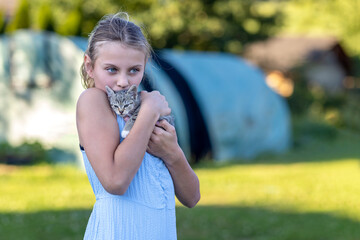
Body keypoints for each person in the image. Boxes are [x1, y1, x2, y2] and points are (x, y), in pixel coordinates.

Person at [76, 12, 200, 239]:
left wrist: (172, 153)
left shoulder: (143, 110)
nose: (123, 82)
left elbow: (192, 197)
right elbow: (115, 182)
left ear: (144, 66)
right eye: (111, 69)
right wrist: (150, 111)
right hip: (119, 230)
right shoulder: (93, 101)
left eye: (134, 70)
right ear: (90, 66)